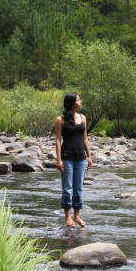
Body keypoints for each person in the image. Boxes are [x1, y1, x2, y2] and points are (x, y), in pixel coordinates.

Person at [55, 92, 92, 228]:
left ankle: (76, 216)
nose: (81, 101)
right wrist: (59, 160)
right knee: (67, 188)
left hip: (81, 158)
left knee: (78, 189)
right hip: (67, 158)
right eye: (78, 100)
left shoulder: (83, 118)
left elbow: (85, 138)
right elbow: (58, 141)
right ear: (71, 103)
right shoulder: (61, 119)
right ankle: (68, 217)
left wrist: (89, 156)